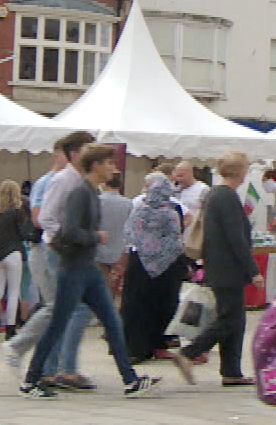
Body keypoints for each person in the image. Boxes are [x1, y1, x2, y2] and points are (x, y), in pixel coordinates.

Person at [20, 143, 164, 399]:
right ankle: (31, 380)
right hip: (74, 268)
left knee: (112, 321)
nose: (113, 168)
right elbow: (70, 231)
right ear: (95, 165)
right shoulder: (80, 193)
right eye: (109, 163)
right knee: (58, 324)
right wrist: (96, 236)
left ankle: (130, 380)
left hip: (87, 268)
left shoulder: (91, 192)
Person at [4, 131, 97, 387]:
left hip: (65, 250)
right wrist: (64, 241)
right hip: (54, 250)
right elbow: (42, 218)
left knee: (65, 310)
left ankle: (52, 368)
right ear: (72, 154)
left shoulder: (78, 180)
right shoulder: (57, 181)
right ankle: (41, 360)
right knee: (62, 308)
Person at [177, 150, 261, 386]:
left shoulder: (215, 194)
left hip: (219, 266)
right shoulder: (226, 197)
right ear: (239, 170)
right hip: (228, 268)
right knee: (229, 319)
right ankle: (189, 353)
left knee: (236, 320)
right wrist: (253, 270)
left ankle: (231, 371)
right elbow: (236, 238)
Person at [121, 170, 188, 364]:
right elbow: (176, 240)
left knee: (136, 307)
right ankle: (158, 344)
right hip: (166, 267)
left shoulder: (139, 209)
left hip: (139, 264)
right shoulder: (171, 212)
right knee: (162, 307)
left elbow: (129, 235)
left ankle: (134, 349)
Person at [0, 180, 30, 341]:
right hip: (14, 254)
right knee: (14, 291)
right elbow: (24, 233)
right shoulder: (17, 212)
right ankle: (10, 328)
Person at [96, 170, 132, 299]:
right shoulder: (128, 204)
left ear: (105, 182)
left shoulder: (97, 201)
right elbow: (130, 230)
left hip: (99, 250)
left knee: (98, 289)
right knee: (113, 290)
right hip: (119, 251)